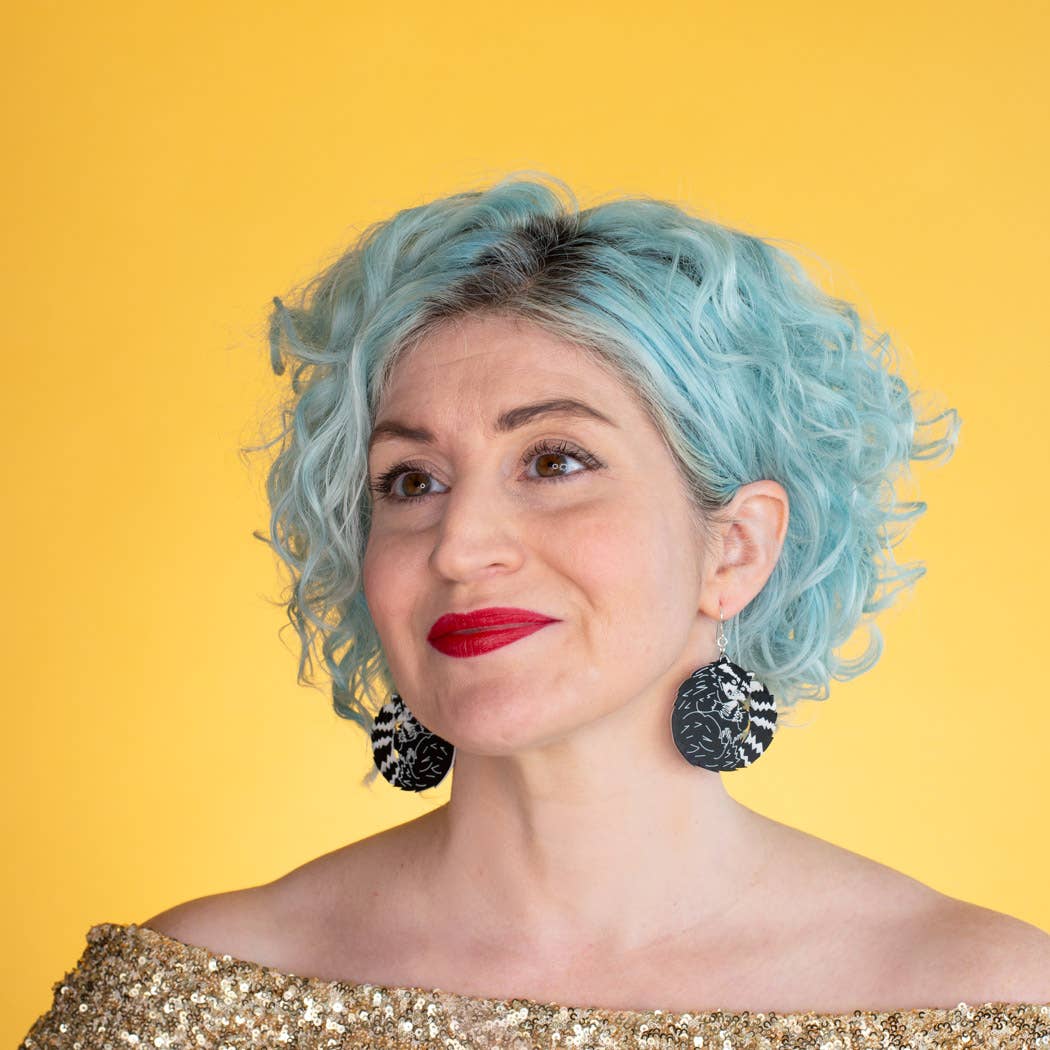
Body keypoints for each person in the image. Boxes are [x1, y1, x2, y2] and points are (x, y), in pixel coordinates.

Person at [21, 174, 1050, 1047]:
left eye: (554, 462)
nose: (460, 545)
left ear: (735, 548)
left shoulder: (983, 1004)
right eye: (411, 481)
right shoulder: (180, 1000)